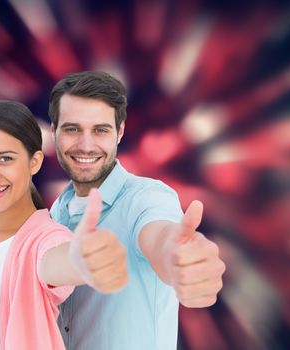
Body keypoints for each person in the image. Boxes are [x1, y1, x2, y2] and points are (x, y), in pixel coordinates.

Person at [0, 100, 128, 350]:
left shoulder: (44, 239)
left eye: (4, 159)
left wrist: (83, 260)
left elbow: (58, 261)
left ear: (34, 162)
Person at [48, 71, 226, 350]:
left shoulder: (147, 198)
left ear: (119, 132)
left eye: (100, 130)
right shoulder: (55, 213)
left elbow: (160, 236)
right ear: (54, 130)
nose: (85, 145)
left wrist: (177, 259)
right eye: (72, 129)